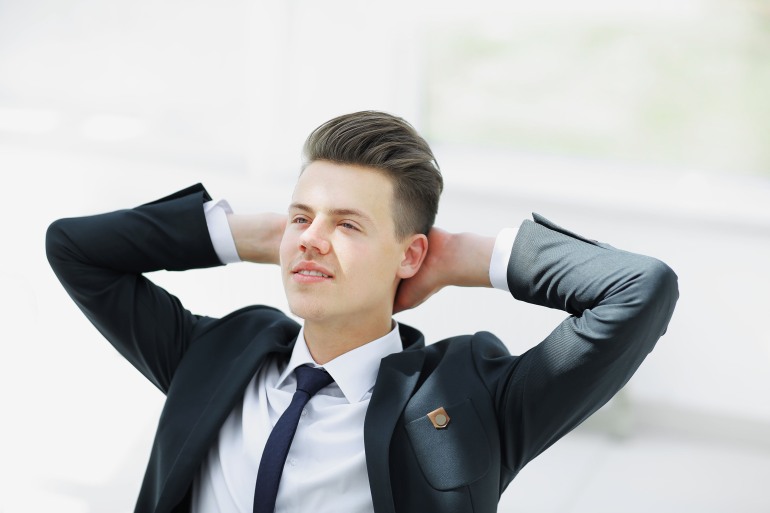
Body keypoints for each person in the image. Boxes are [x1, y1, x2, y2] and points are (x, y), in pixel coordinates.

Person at [46, 111, 678, 513]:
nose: (311, 239)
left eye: (348, 223)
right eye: (301, 217)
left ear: (411, 255)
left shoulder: (471, 398)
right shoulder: (216, 354)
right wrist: (256, 235)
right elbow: (76, 249)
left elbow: (638, 290)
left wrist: (462, 257)